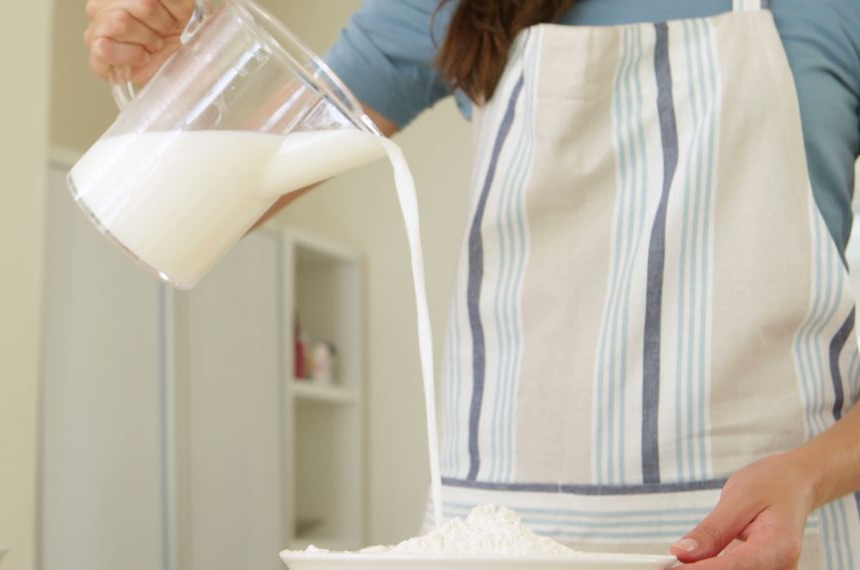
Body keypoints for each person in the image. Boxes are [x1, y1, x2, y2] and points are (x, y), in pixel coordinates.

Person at [84, 0, 860, 567]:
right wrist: (171, 84)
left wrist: (808, 473)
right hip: (500, 545)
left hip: (773, 543)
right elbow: (228, 188)